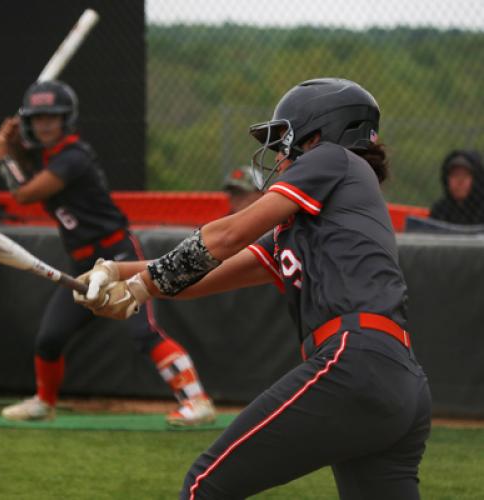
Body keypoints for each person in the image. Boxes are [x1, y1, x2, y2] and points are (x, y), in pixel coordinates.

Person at [74, 78, 432, 499]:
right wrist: (116, 273)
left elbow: (225, 236)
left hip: (353, 361)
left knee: (205, 486)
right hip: (399, 381)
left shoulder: (333, 158)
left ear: (317, 135)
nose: (280, 154)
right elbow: (207, 273)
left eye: (285, 140)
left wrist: (139, 287)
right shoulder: (321, 214)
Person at [0, 79, 215, 426]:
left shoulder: (74, 156)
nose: (45, 124)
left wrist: (5, 156)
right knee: (50, 337)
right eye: (38, 118)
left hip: (117, 256)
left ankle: (196, 401)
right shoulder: (49, 157)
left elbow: (26, 193)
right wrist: (13, 149)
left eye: (53, 116)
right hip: (82, 262)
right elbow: (32, 176)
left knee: (143, 331)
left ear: (67, 119)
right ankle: (44, 402)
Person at [430, 150, 484, 224]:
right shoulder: (440, 209)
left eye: (465, 175)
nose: (460, 181)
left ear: (476, 179)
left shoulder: (481, 209)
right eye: (455, 175)